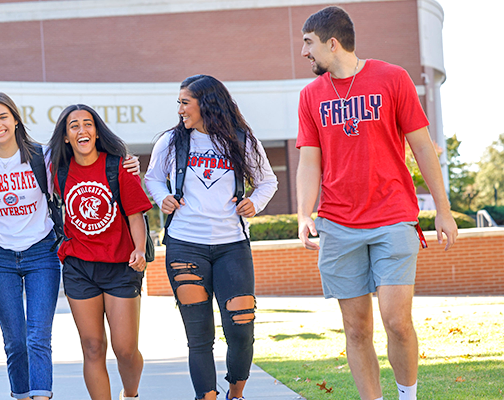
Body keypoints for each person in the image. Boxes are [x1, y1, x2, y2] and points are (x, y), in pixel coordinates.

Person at [0, 93, 139, 400]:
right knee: (15, 340)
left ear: (15, 119)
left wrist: (128, 162)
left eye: (3, 117)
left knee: (38, 337)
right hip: (0, 256)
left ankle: (42, 396)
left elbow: (88, 159)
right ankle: (21, 394)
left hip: (40, 253)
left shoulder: (43, 156)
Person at [295, 6, 458, 400]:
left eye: (308, 44)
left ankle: (407, 396)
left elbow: (422, 146)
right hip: (338, 222)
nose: (304, 53)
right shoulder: (311, 96)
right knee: (356, 328)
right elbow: (308, 161)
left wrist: (444, 209)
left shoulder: (392, 78)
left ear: (331, 43)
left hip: (393, 217)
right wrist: (304, 212)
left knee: (397, 321)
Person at [144, 75, 278, 400]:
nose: (179, 110)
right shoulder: (171, 141)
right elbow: (152, 178)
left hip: (232, 245)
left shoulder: (241, 139)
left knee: (241, 327)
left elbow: (267, 181)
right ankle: (207, 397)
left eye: (184, 102)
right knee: (199, 335)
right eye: (178, 103)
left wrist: (254, 203)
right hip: (185, 244)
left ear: (206, 103)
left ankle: (236, 393)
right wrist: (162, 196)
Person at [48, 104, 150, 400]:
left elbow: (135, 215)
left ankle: (130, 394)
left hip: (120, 266)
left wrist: (140, 250)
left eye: (88, 124)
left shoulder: (118, 166)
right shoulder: (59, 171)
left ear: (96, 130)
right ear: (66, 136)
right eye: (74, 126)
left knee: (125, 348)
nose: (82, 130)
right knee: (92, 346)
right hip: (80, 267)